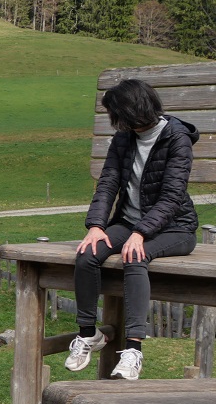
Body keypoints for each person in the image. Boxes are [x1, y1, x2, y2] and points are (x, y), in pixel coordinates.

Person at [66, 78, 199, 380]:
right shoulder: (124, 138)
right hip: (128, 222)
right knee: (88, 253)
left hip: (175, 228)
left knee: (135, 257)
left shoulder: (176, 138)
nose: (114, 122)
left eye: (116, 114)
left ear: (130, 111)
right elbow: (109, 182)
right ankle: (88, 334)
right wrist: (97, 226)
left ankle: (134, 350)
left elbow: (172, 196)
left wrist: (140, 233)